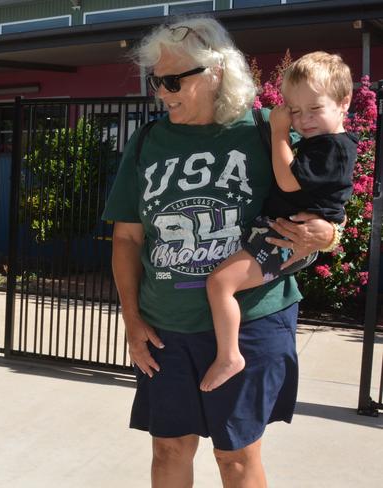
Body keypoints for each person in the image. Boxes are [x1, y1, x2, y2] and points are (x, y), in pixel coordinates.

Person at [102, 17, 338, 487]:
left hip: (251, 321)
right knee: (168, 449)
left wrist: (327, 236)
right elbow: (127, 238)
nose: (162, 92)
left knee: (235, 457)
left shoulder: (262, 131)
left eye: (173, 80)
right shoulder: (148, 141)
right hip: (165, 327)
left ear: (215, 73)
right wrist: (132, 319)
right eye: (156, 80)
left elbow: (325, 208)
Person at [201, 51, 357, 392]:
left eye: (315, 109)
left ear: (345, 102)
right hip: (280, 231)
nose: (304, 120)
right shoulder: (326, 143)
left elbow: (288, 182)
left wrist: (279, 132)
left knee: (219, 284)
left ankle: (229, 356)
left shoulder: (331, 148)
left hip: (284, 237)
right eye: (296, 111)